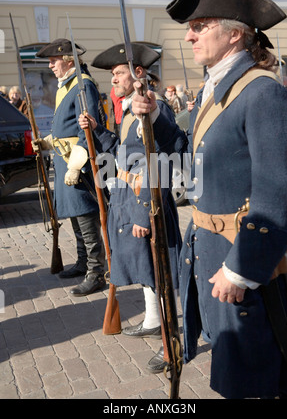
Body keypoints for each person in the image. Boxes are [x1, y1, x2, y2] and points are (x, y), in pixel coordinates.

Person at [132, 0, 287, 399]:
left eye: (201, 25)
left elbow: (277, 195)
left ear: (235, 33)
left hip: (242, 263)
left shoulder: (262, 93)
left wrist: (240, 268)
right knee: (233, 372)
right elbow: (195, 156)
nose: (188, 35)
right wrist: (157, 120)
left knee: (256, 379)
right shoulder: (216, 88)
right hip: (212, 251)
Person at [78, 42, 184, 373]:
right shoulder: (127, 110)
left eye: (119, 72)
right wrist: (97, 132)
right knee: (144, 268)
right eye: (112, 75)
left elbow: (160, 162)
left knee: (158, 271)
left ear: (138, 73)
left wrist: (142, 214)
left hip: (145, 203)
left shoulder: (156, 108)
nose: (114, 80)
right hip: (130, 197)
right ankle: (153, 321)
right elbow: (126, 151)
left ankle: (171, 343)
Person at [33, 38, 106, 296]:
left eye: (54, 61)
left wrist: (76, 164)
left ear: (67, 59)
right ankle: (83, 261)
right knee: (75, 216)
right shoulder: (67, 86)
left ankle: (97, 272)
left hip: (79, 162)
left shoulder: (83, 85)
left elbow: (86, 128)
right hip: (66, 160)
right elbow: (64, 128)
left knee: (85, 216)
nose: (51, 66)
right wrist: (45, 143)